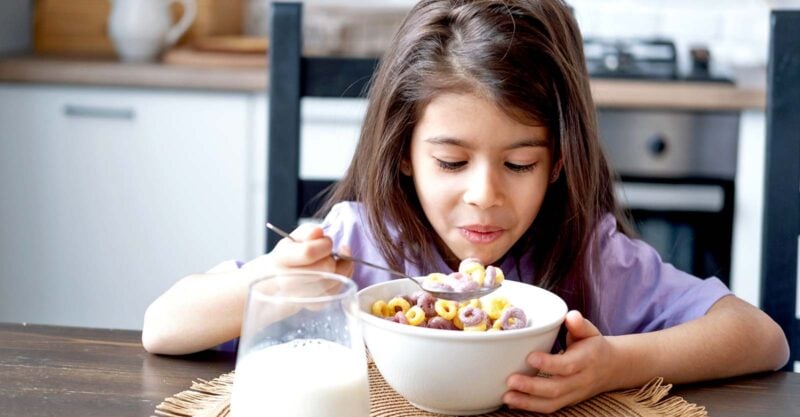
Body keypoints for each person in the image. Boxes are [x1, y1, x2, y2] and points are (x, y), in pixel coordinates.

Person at [142, 0, 789, 413]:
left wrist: (616, 363)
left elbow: (764, 339)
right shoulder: (360, 243)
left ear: (558, 161)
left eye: (519, 163)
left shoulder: (591, 258)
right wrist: (276, 275)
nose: (485, 194)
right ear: (403, 153)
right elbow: (164, 327)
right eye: (452, 162)